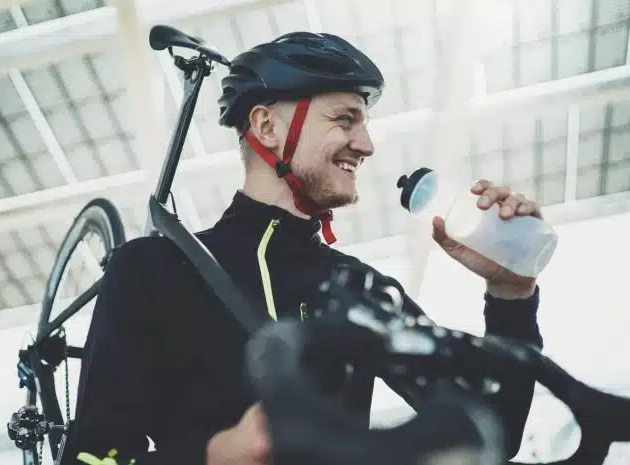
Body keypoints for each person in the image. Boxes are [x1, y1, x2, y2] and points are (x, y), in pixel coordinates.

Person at [61, 32, 544, 465]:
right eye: (345, 119)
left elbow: (495, 433)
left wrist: (511, 296)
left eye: (364, 124)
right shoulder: (152, 268)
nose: (366, 145)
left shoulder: (364, 289)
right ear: (267, 127)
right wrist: (215, 456)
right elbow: (90, 458)